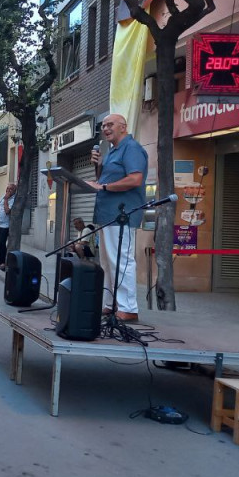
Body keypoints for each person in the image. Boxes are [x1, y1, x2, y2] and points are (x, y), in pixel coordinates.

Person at [86, 113, 147, 322]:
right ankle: (111, 303)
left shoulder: (131, 148)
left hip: (122, 214)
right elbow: (103, 181)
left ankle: (128, 307)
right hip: (107, 214)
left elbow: (135, 178)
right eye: (103, 125)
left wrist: (102, 186)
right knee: (108, 261)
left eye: (110, 124)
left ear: (123, 127)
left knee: (121, 260)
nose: (105, 128)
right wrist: (98, 167)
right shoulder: (112, 151)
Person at [0, 183, 17, 271]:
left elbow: (7, 211)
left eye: (11, 189)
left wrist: (6, 199)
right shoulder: (3, 196)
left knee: (2, 244)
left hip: (5, 225)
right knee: (0, 244)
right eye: (7, 188)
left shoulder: (13, 200)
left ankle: (3, 263)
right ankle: (1, 262)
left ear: (14, 191)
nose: (8, 190)